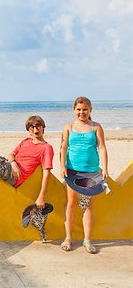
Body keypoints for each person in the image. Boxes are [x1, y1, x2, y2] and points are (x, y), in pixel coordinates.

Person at [60, 97, 108, 254]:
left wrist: (105, 168)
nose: (82, 112)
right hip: (72, 171)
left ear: (90, 110)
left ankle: (87, 240)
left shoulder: (96, 127)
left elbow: (101, 147)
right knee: (71, 203)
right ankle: (68, 238)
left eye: (85, 109)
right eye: (79, 109)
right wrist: (62, 166)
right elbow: (63, 147)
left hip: (91, 173)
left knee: (87, 205)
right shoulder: (68, 126)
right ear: (74, 110)